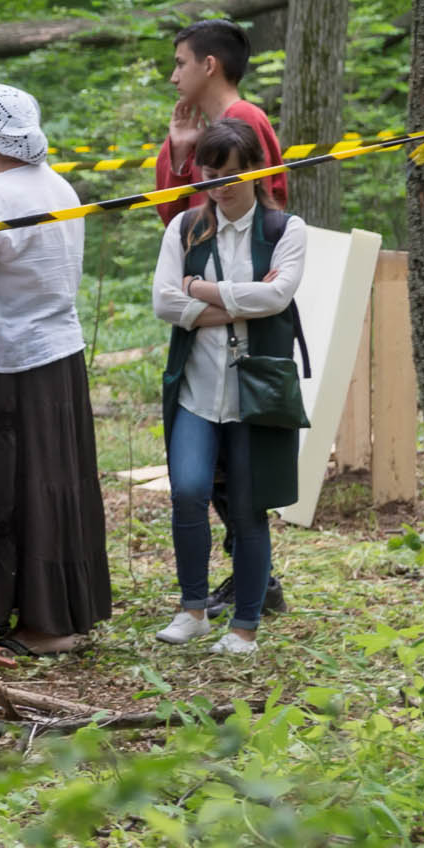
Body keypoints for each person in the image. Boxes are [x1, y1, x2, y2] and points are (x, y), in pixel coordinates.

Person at [0, 84, 111, 655]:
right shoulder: (59, 185)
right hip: (57, 361)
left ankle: (2, 614)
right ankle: (55, 615)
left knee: (2, 495)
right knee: (52, 487)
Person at [149, 117, 308, 655]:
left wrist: (202, 292)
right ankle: (192, 609)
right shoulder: (185, 228)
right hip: (196, 386)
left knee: (248, 506)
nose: (220, 186)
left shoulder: (286, 229)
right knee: (188, 491)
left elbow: (278, 297)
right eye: (211, 175)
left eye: (232, 176)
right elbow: (163, 301)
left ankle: (244, 626)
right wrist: (226, 306)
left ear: (258, 174)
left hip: (255, 392)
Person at [157, 19, 287, 223]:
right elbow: (173, 221)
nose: (174, 77)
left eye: (181, 64)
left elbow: (258, 211)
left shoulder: (245, 117)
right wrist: (180, 152)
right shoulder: (190, 132)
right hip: (197, 252)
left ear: (209, 65)